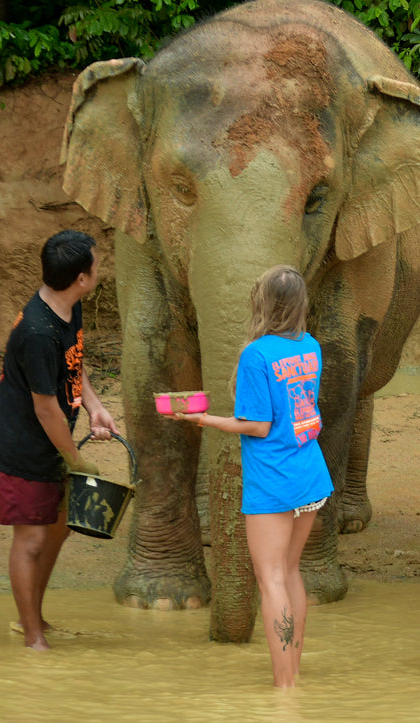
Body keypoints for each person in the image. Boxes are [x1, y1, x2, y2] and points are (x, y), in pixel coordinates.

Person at [162, 265, 333, 688]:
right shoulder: (311, 347)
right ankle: (293, 674)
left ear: (263, 304)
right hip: (310, 475)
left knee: (271, 579)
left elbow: (256, 426)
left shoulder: (256, 355)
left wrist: (208, 421)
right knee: (291, 572)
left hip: (273, 481)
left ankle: (283, 687)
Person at [0, 229, 118, 651]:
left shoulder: (65, 307)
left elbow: (73, 364)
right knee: (33, 539)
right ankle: (33, 640)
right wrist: (75, 458)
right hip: (22, 449)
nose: (99, 269)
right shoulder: (39, 331)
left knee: (58, 531)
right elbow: (45, 408)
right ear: (81, 277)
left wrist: (94, 406)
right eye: (96, 265)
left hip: (53, 444)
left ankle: (33, 618)